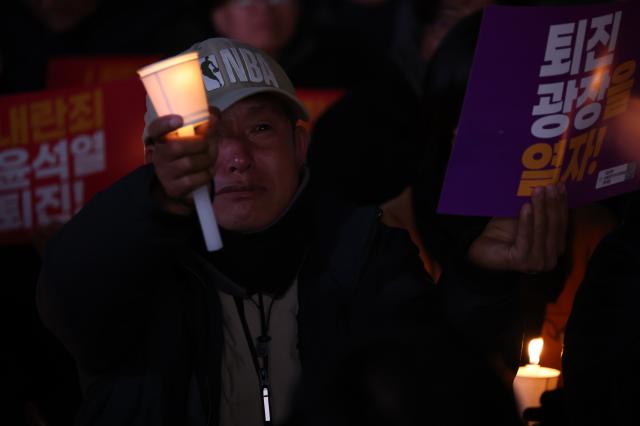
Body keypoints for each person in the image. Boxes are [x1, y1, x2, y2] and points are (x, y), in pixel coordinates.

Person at [38, 37, 565, 426]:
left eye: (260, 128)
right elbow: (71, 298)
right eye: (205, 136)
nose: (238, 157)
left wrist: (481, 282)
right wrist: (148, 205)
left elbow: (435, 388)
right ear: (160, 159)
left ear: (299, 145)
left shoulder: (364, 249)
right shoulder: (134, 267)